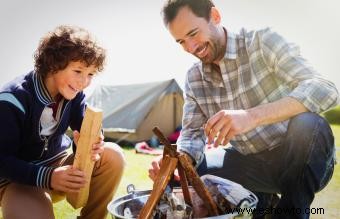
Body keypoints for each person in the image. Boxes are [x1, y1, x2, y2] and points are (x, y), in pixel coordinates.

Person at [149, 0, 339, 218]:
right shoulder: (194, 78)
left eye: (193, 33)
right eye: (181, 41)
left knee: (309, 124)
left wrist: (252, 116)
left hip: (303, 161)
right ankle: (260, 206)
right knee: (195, 168)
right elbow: (191, 136)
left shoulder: (262, 42)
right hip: (251, 165)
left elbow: (326, 89)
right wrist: (178, 163)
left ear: (215, 16)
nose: (191, 48)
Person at [0, 25, 125, 219]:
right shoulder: (12, 99)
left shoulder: (74, 94)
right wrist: (48, 177)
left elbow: (85, 126)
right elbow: (2, 161)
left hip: (60, 167)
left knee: (112, 155)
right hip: (18, 181)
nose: (84, 82)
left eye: (91, 74)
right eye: (78, 71)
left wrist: (93, 141)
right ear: (53, 64)